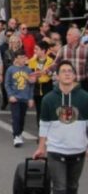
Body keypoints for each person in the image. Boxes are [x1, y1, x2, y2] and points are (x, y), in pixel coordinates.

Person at [34, 60, 88, 194]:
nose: (67, 74)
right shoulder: (48, 99)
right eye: (63, 71)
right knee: (60, 188)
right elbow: (44, 124)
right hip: (56, 151)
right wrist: (41, 147)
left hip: (78, 151)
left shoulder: (85, 97)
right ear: (57, 76)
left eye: (70, 71)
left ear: (75, 76)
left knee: (72, 187)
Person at [5, 50, 34, 147]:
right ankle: (16, 136)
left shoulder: (28, 70)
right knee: (16, 117)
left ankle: (20, 132)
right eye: (21, 57)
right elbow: (7, 84)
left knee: (22, 117)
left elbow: (31, 86)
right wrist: (10, 95)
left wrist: (30, 98)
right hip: (15, 97)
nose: (23, 59)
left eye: (24, 57)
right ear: (16, 58)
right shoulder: (11, 69)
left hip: (25, 97)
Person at [29, 40, 54, 124]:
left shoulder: (51, 61)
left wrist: (38, 77)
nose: (34, 51)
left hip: (47, 89)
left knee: (47, 111)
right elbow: (30, 73)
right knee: (39, 111)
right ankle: (40, 133)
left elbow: (48, 77)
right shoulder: (32, 61)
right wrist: (39, 75)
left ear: (43, 50)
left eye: (36, 49)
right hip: (36, 90)